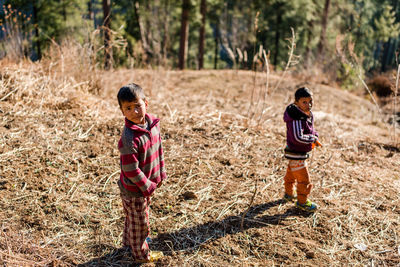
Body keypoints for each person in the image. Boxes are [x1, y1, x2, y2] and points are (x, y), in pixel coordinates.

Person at [116, 83, 167, 263]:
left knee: (134, 219)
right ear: (122, 111)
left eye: (137, 106)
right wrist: (147, 186)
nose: (134, 112)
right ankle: (141, 256)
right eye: (128, 108)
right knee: (140, 223)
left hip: (146, 187)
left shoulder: (153, 125)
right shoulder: (129, 138)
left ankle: (129, 245)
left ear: (146, 103)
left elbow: (158, 150)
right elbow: (131, 170)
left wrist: (160, 174)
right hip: (134, 189)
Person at [282, 87, 321, 212]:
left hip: (297, 152)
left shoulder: (307, 114)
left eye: (310, 101)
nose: (308, 105)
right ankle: (302, 202)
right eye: (304, 102)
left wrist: (315, 135)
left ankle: (289, 194)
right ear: (296, 102)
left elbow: (310, 129)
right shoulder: (296, 117)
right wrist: (312, 139)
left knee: (291, 173)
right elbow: (298, 137)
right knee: (304, 179)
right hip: (296, 152)